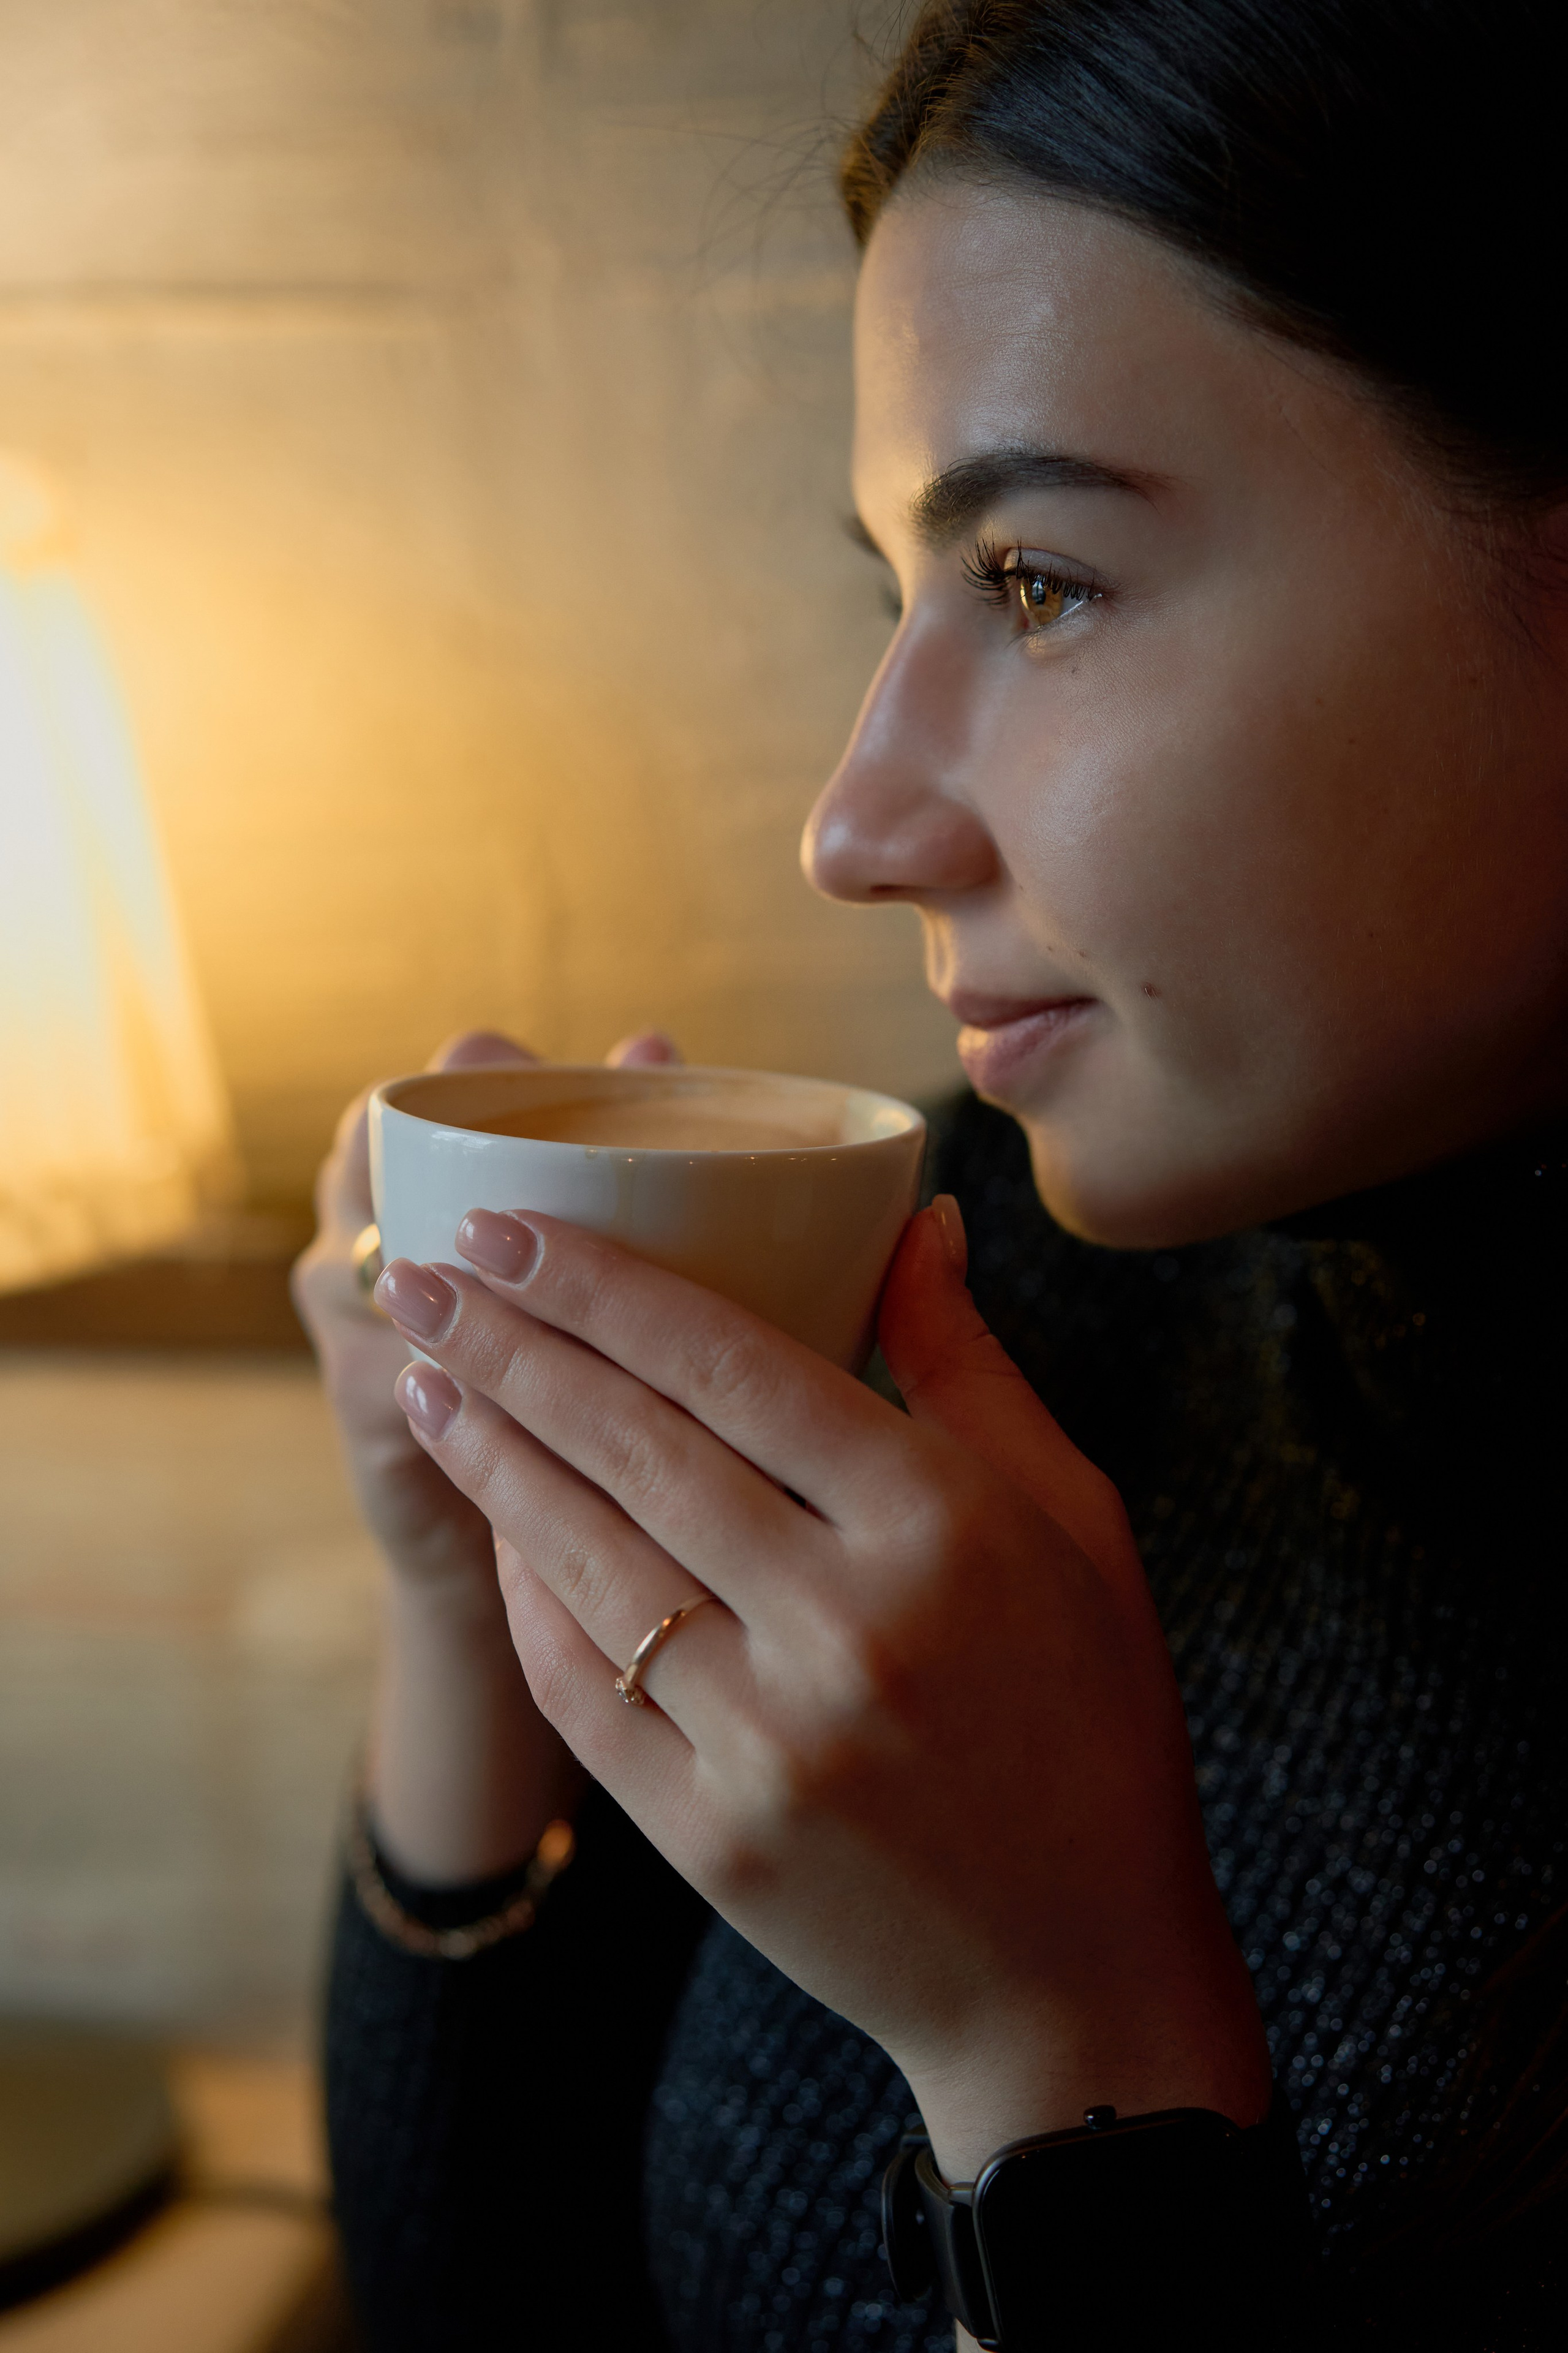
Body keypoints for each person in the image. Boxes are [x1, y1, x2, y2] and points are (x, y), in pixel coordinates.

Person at [292, 3, 1568, 2345]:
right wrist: (483, 1601)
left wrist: (1059, 2047)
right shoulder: (1006, 1280)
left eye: (1042, 583)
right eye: (898, 590)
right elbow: (488, 2303)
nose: (854, 823)